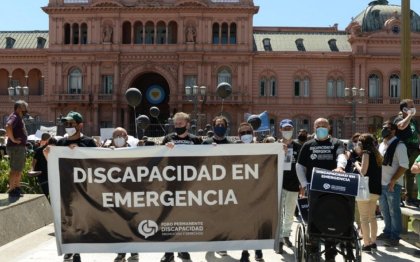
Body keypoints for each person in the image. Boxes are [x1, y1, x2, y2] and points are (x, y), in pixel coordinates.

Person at [46, 111, 97, 262]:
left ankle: (78, 248)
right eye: (66, 124)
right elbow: (53, 164)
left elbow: (97, 163)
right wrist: (48, 154)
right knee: (68, 219)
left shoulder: (88, 143)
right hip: (66, 189)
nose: (68, 126)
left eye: (71, 124)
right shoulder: (60, 144)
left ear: (80, 125)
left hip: (84, 189)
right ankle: (71, 250)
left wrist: (80, 151)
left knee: (81, 220)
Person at [296, 117, 347, 262]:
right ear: (314, 128)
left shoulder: (336, 143)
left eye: (324, 125)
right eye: (318, 125)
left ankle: (330, 253)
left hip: (333, 186)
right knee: (315, 217)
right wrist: (304, 184)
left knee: (331, 217)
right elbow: (299, 166)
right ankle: (313, 247)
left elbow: (341, 155)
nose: (321, 127)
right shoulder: (308, 145)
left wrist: (340, 167)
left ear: (329, 127)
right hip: (314, 187)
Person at [160, 112, 201, 262]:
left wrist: (214, 146)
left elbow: (205, 158)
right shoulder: (168, 139)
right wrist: (165, 148)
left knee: (185, 218)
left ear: (187, 125)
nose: (177, 126)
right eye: (175, 124)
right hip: (170, 184)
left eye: (180, 124)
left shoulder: (196, 140)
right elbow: (159, 158)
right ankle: (168, 252)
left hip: (189, 185)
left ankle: (184, 250)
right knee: (169, 218)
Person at [110, 127, 139, 262]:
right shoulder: (105, 152)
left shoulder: (135, 152)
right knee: (118, 223)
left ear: (127, 137)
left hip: (132, 193)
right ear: (112, 138)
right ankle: (121, 252)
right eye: (116, 135)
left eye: (122, 135)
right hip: (114, 194)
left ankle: (134, 251)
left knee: (132, 222)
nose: (119, 137)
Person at [377, 121, 409, 247]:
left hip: (392, 184)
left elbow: (404, 165)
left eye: (387, 128)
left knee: (393, 210)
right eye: (383, 127)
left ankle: (395, 236)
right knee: (384, 210)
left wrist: (394, 180)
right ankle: (387, 231)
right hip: (381, 183)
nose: (384, 130)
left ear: (394, 130)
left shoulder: (400, 145)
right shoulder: (382, 144)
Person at [235, 122, 263, 262]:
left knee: (257, 221)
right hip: (241, 192)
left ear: (253, 134)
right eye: (242, 133)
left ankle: (258, 247)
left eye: (248, 132)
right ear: (238, 135)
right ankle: (245, 252)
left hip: (258, 191)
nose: (245, 135)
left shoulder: (263, 148)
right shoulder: (233, 149)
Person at [277, 119, 303, 254]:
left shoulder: (299, 147)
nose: (287, 131)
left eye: (289, 128)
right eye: (285, 128)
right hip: (278, 184)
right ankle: (279, 240)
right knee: (279, 214)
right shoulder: (275, 145)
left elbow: (302, 167)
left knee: (289, 213)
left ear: (293, 130)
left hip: (293, 184)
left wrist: (302, 184)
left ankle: (286, 235)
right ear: (280, 130)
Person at [353, 133, 382, 253]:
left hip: (365, 188)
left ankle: (366, 244)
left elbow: (364, 171)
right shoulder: (377, 154)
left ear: (362, 143)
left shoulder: (366, 153)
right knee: (372, 217)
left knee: (364, 218)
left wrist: (356, 164)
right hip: (375, 189)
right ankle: (373, 242)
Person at [393, 99, 420, 207]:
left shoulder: (414, 121)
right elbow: (401, 126)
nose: (413, 107)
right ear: (404, 109)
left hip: (414, 150)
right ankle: (397, 197)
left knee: (410, 174)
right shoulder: (399, 119)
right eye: (411, 106)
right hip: (404, 150)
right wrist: (408, 116)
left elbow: (417, 134)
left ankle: (410, 198)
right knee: (400, 173)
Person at [5, 100, 29, 198]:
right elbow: (8, 126)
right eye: (25, 107)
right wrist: (13, 139)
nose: (26, 110)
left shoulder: (18, 117)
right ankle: (12, 189)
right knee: (15, 169)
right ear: (19, 108)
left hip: (19, 147)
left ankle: (17, 188)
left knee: (18, 169)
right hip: (16, 147)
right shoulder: (14, 116)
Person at [31, 133, 57, 199]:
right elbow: (34, 161)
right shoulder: (39, 150)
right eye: (51, 146)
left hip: (50, 173)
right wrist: (32, 169)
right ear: (48, 144)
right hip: (42, 174)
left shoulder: (55, 151)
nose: (52, 148)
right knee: (46, 191)